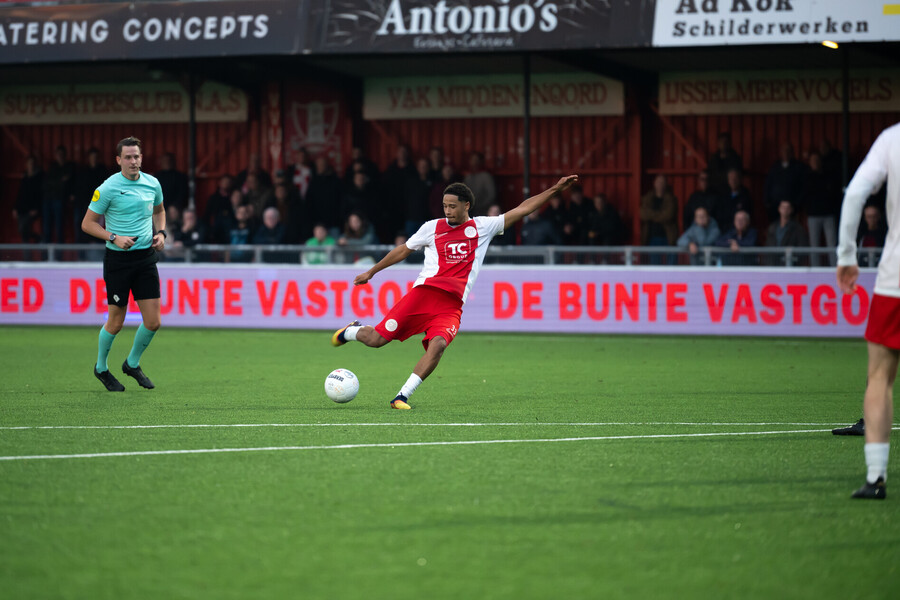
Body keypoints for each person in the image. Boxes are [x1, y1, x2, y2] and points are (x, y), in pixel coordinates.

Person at [332, 175, 578, 409]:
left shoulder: (484, 227)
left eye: (452, 206)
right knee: (377, 340)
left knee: (438, 345)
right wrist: (372, 272)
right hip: (423, 296)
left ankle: (401, 395)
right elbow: (403, 250)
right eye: (444, 206)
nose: (447, 211)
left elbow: (523, 209)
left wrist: (555, 190)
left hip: (451, 306)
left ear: (466, 205)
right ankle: (353, 330)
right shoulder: (432, 227)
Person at [835, 121, 900, 500]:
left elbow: (856, 192)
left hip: (895, 279)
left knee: (879, 377)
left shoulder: (892, 138)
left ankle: (876, 478)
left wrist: (846, 254)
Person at [80, 136, 165, 392]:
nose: (133, 161)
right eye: (128, 157)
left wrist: (161, 233)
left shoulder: (153, 184)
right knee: (116, 322)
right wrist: (114, 237)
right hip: (118, 260)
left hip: (145, 258)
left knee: (153, 322)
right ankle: (101, 368)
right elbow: (87, 224)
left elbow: (159, 211)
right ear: (118, 160)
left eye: (137, 156)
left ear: (142, 158)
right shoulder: (107, 188)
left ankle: (131, 364)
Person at [802, 151, 840, 266]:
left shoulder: (828, 176)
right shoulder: (807, 177)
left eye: (817, 160)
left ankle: (834, 268)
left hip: (828, 214)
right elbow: (804, 196)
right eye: (813, 161)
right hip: (813, 215)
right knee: (814, 245)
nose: (815, 163)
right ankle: (815, 269)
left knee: (831, 244)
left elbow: (834, 194)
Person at [640, 174, 678, 264]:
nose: (660, 184)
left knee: (671, 265)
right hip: (652, 237)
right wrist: (660, 215)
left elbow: (668, 215)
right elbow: (643, 214)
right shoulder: (647, 198)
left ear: (665, 184)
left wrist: (652, 216)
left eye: (662, 182)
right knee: (655, 265)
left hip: (668, 236)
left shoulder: (671, 199)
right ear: (654, 183)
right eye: (658, 182)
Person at [764, 142, 806, 222]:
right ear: (781, 152)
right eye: (784, 150)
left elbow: (803, 187)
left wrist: (796, 204)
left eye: (788, 150)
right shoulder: (775, 167)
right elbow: (768, 185)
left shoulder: (798, 167)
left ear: (792, 152)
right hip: (775, 206)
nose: (786, 153)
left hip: (791, 208)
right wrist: (767, 202)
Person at [42, 145, 75, 243]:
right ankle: (46, 256)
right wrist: (60, 181)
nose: (60, 156)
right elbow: (47, 183)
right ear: (55, 155)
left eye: (62, 154)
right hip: (48, 198)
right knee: (47, 227)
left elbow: (70, 182)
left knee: (59, 226)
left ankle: (59, 256)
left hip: (60, 199)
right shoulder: (52, 166)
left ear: (65, 155)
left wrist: (57, 183)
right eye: (58, 154)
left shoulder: (70, 167)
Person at [764, 200, 809, 265]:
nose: (785, 210)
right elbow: (767, 247)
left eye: (788, 208)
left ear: (791, 210)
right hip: (772, 266)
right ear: (779, 209)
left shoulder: (798, 229)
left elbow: (802, 249)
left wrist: (794, 261)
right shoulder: (772, 227)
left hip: (789, 266)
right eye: (783, 207)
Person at [715, 168, 753, 232]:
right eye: (731, 178)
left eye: (735, 178)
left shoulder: (745, 195)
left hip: (740, 231)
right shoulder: (723, 195)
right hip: (724, 231)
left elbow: (748, 216)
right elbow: (719, 215)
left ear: (740, 179)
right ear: (728, 180)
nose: (733, 181)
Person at [14, 155, 42, 243]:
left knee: (23, 229)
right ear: (26, 164)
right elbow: (20, 193)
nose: (31, 165)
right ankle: (27, 254)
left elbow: (39, 195)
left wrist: (36, 208)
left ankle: (38, 237)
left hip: (31, 209)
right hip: (22, 209)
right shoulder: (25, 177)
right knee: (22, 232)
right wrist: (15, 208)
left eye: (33, 163)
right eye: (29, 163)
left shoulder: (39, 177)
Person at [463, 151, 496, 215]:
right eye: (472, 160)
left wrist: (481, 205)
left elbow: (491, 195)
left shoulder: (486, 176)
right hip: (470, 211)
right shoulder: (468, 177)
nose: (474, 162)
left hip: (484, 211)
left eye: (476, 160)